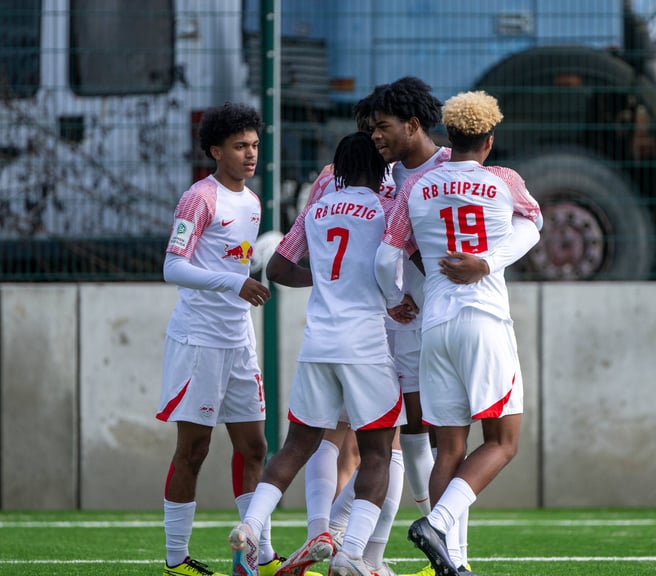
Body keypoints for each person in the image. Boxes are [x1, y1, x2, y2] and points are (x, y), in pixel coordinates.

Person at [374, 90, 542, 576]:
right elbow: (535, 224)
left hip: (434, 325)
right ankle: (438, 523)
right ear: (488, 142)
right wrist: (486, 263)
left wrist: (395, 300)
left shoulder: (416, 188)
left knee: (447, 448)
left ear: (449, 136)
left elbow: (387, 258)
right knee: (504, 442)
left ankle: (456, 563)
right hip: (484, 322)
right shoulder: (503, 180)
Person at [229, 131, 406, 576]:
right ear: (381, 168)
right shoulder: (387, 209)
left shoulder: (317, 210)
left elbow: (277, 267)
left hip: (317, 344)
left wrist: (327, 281)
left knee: (298, 445)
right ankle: (352, 556)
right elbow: (394, 262)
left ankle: (251, 526)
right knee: (379, 452)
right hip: (364, 344)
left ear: (340, 170)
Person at [156, 102, 280, 576]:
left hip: (238, 340)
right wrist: (235, 283)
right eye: (239, 146)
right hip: (199, 341)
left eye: (254, 145)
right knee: (194, 450)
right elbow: (173, 267)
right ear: (215, 150)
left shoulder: (252, 203)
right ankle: (176, 560)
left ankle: (260, 555)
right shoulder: (199, 198)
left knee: (254, 448)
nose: (250, 155)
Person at [369, 76, 481, 576]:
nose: (376, 136)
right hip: (395, 319)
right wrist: (393, 299)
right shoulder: (387, 177)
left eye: (384, 127)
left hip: (440, 316)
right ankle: (437, 547)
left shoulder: (449, 170)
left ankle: (453, 550)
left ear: (413, 125)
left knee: (443, 437)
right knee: (410, 432)